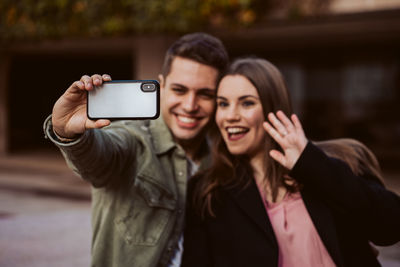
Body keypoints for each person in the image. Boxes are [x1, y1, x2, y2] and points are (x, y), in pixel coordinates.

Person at [182, 57, 400, 267]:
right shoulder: (207, 193)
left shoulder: (338, 161)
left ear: (273, 108)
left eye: (247, 103)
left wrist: (310, 164)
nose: (230, 116)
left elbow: (390, 227)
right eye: (223, 104)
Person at [43, 32, 229, 267]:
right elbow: (101, 156)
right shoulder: (132, 137)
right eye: (180, 90)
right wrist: (69, 133)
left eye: (205, 94)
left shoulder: (220, 158)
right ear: (161, 86)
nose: (190, 106)